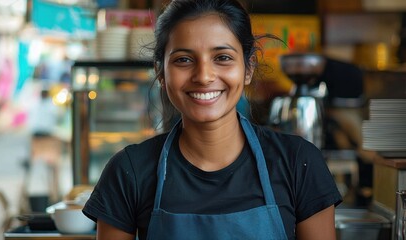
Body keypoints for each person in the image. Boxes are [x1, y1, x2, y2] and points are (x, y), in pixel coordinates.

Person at [82, 0, 342, 239]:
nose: (204, 76)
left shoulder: (299, 163)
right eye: (184, 60)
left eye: (223, 58)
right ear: (161, 72)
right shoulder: (130, 171)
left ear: (248, 67)